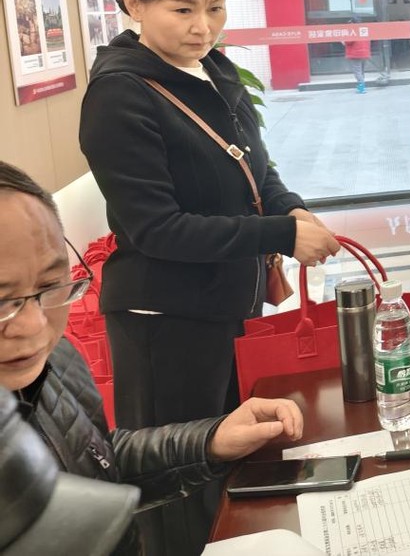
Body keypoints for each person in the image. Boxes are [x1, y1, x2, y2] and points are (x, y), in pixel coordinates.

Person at [78, 0, 339, 553]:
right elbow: (157, 229)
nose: (203, 27)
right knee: (182, 482)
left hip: (227, 303)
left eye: (215, 8)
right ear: (134, 3)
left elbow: (255, 169)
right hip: (165, 323)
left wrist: (293, 209)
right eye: (183, 10)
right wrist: (281, 233)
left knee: (238, 455)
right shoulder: (119, 95)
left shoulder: (213, 69)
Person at [0, 160, 304, 556]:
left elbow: (96, 461)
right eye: (2, 300)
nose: (34, 324)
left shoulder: (57, 359)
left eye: (50, 285)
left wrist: (211, 441)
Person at [343, 16, 371, 94]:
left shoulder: (353, 30)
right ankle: (361, 86)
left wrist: (342, 41)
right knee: (361, 71)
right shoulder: (364, 29)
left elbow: (348, 42)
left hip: (356, 54)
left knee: (358, 72)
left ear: (352, 22)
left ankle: (362, 88)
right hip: (364, 53)